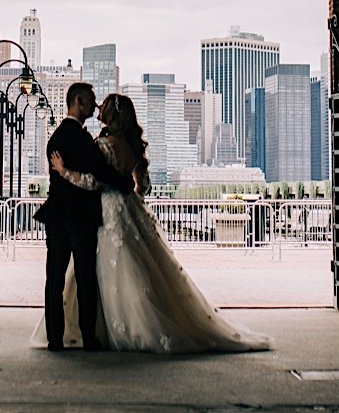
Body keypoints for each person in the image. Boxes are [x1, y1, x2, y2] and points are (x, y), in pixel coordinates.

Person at [40, 92, 272, 354]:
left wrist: (64, 172)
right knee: (134, 267)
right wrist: (130, 197)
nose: (97, 107)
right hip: (128, 210)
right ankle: (114, 330)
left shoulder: (102, 144)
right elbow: (144, 187)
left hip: (105, 211)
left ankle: (82, 334)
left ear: (111, 115)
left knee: (96, 273)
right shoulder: (133, 145)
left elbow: (94, 182)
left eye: (102, 106)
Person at [35, 81, 134, 352]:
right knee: (85, 277)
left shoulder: (56, 137)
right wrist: (125, 185)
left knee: (53, 279)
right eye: (90, 100)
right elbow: (100, 171)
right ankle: (88, 338)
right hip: (81, 217)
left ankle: (54, 339)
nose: (94, 105)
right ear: (78, 102)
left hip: (56, 217)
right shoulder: (81, 139)